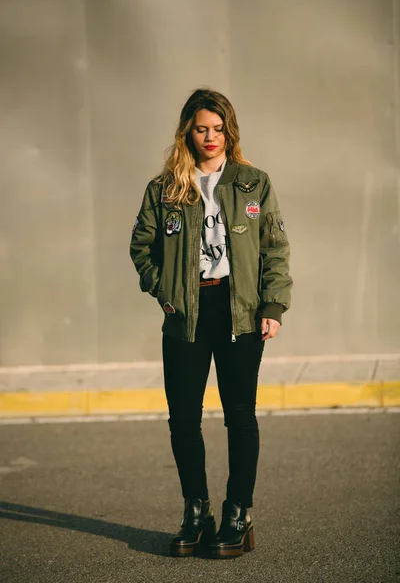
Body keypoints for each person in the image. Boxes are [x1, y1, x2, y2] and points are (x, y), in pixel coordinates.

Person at [130, 88, 292, 558]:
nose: (211, 137)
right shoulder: (165, 188)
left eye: (218, 128)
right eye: (202, 128)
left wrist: (272, 307)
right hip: (186, 314)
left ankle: (238, 515)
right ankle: (195, 514)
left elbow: (275, 250)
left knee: (239, 415)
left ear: (229, 131)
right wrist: (163, 290)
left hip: (239, 312)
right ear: (188, 131)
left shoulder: (253, 183)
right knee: (183, 417)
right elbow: (142, 247)